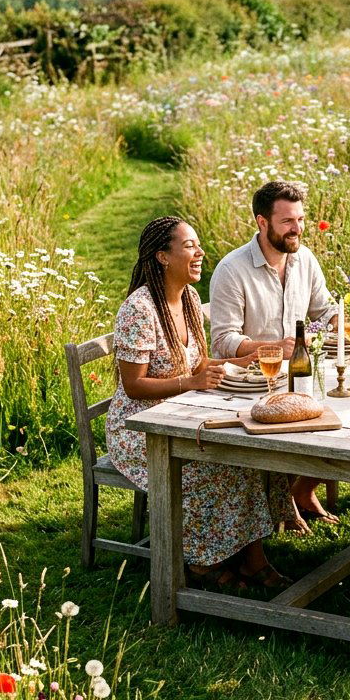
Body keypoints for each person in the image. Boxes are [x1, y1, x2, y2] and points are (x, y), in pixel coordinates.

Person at [106, 216, 301, 590]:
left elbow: (196, 362)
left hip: (182, 412)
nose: (200, 253)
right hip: (139, 428)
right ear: (163, 256)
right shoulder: (140, 309)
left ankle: (250, 558)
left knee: (245, 455)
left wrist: (241, 363)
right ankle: (201, 561)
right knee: (212, 466)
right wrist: (191, 382)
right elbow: (133, 386)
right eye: (190, 246)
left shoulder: (191, 298)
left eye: (198, 245)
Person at [209, 180, 339, 523]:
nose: (297, 229)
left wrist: (343, 320)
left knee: (345, 409)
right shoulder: (232, 270)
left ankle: (301, 489)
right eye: (287, 222)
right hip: (249, 386)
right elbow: (223, 341)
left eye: (300, 219)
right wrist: (271, 349)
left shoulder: (304, 259)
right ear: (261, 222)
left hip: (297, 375)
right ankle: (277, 504)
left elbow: (323, 310)